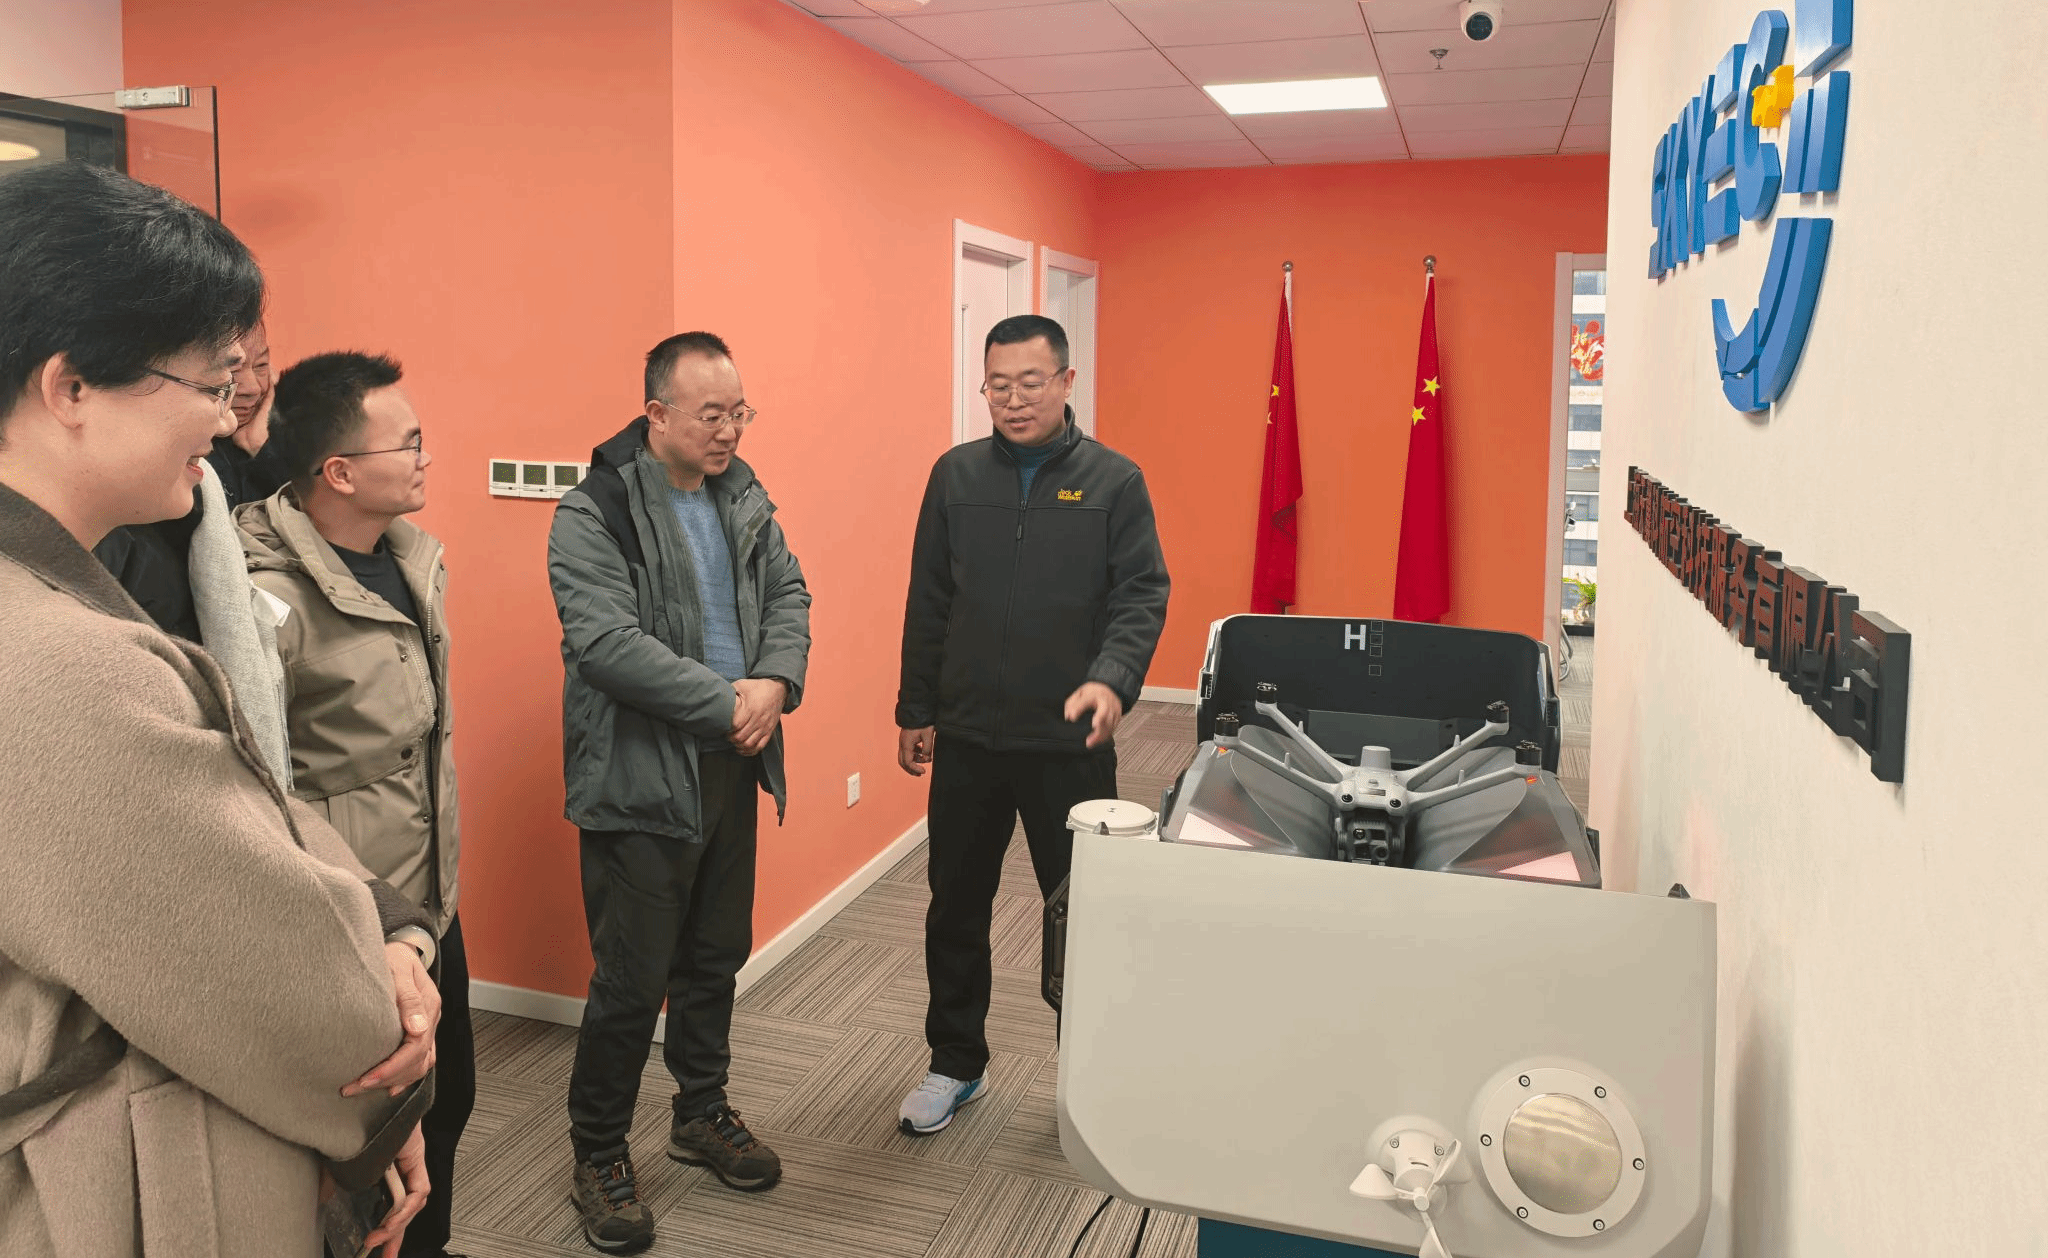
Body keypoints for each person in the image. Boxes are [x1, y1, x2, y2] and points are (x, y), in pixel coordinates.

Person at [0, 162, 441, 1258]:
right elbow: (289, 992)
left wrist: (380, 926)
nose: (233, 412)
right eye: (210, 380)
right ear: (70, 386)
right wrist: (381, 985)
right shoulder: (62, 667)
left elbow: (247, 812)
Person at [547, 331, 811, 1255]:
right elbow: (606, 644)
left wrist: (773, 683)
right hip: (641, 777)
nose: (730, 430)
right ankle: (598, 1154)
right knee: (632, 979)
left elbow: (790, 594)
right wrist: (729, 704)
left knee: (714, 956)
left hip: (732, 764)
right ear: (656, 414)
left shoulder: (743, 495)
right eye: (711, 415)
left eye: (740, 412)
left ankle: (700, 1112)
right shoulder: (595, 511)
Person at [894, 313, 1169, 1136]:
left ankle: (1085, 1078)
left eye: (1030, 383)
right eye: (997, 385)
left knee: (1080, 914)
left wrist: (1112, 681)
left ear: (1066, 382)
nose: (1013, 400)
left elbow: (1141, 596)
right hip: (970, 739)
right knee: (955, 905)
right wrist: (916, 708)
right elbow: (929, 600)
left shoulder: (1115, 482)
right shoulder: (955, 476)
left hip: (1068, 743)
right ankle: (955, 1063)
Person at [238, 352, 472, 1258]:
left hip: (433, 903)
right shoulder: (264, 597)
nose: (424, 456)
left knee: (446, 1105)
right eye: (407, 443)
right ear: (339, 472)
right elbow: (259, 789)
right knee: (367, 1148)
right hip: (350, 920)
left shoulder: (410, 559)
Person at [92, 315, 290, 640]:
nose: (252, 387)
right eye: (230, 372)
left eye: (262, 366)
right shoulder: (163, 471)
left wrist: (264, 451)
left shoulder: (270, 440)